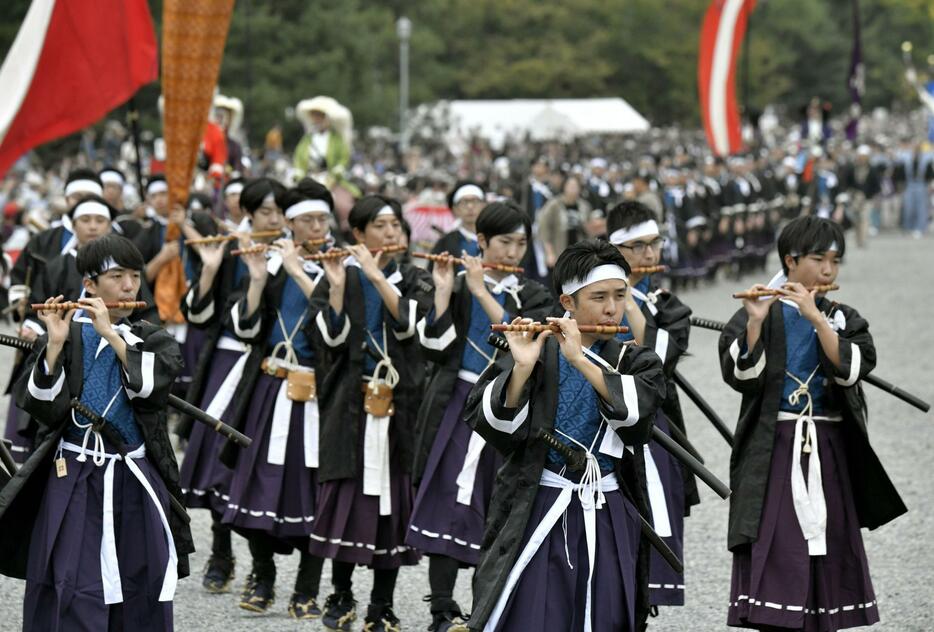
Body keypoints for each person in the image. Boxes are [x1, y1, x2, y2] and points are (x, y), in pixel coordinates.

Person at [463, 239, 667, 631]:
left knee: (604, 613)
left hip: (607, 504)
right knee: (533, 613)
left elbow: (637, 420)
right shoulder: (538, 350)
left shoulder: (635, 359)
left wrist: (579, 359)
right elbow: (492, 424)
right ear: (567, 303)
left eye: (620, 296)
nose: (611, 307)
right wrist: (521, 367)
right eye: (599, 297)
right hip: (539, 501)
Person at [719, 216, 906, 631]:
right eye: (818, 259)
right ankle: (775, 617)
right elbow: (742, 377)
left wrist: (818, 319)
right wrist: (753, 322)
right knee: (779, 539)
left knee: (828, 539)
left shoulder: (842, 317)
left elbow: (852, 369)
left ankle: (825, 616)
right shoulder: (759, 311)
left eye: (835, 261)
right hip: (775, 446)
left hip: (828, 445)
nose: (827, 270)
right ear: (790, 261)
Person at [0, 234, 192, 631]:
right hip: (73, 472)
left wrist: (112, 335)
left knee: (139, 576)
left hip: (132, 477)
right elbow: (39, 406)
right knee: (69, 574)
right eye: (116, 276)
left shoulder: (151, 337)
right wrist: (53, 345)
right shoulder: (68, 334)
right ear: (88, 284)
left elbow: (153, 390)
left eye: (135, 277)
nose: (128, 286)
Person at [407, 202, 552, 631]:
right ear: (481, 242)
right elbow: (433, 347)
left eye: (521, 243)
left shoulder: (533, 295)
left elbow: (529, 342)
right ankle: (441, 609)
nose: (513, 251)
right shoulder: (457, 282)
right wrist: (443, 291)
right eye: (504, 242)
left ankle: (484, 610)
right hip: (458, 405)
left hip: (509, 410)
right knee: (449, 502)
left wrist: (483, 293)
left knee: (496, 506)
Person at [308, 195, 431, 631]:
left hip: (399, 406)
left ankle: (381, 604)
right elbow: (329, 339)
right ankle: (340, 594)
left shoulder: (413, 277)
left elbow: (414, 327)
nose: (391, 232)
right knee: (347, 500)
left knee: (392, 505)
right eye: (379, 226)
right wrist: (339, 287)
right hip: (351, 406)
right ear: (357, 233)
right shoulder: (339, 273)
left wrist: (380, 279)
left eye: (395, 224)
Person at [219, 182, 335, 618]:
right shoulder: (269, 261)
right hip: (269, 386)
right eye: (308, 220)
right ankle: (262, 574)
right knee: (257, 484)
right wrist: (254, 278)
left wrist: (302, 272)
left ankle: (307, 587)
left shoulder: (338, 266)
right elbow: (245, 328)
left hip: (318, 391)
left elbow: (339, 325)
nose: (317, 227)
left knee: (315, 490)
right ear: (289, 222)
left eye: (323, 219)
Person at [177, 177, 288, 596]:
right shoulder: (227, 246)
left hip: (263, 365)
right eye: (265, 212)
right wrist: (208, 269)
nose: (274, 219)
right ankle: (220, 552)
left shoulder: (291, 253)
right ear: (248, 213)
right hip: (225, 360)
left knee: (248, 464)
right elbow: (199, 315)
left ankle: (262, 567)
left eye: (279, 212)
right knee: (214, 463)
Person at [607, 200, 697, 610]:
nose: (650, 254)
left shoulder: (667, 304)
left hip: (651, 425)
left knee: (652, 515)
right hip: (600, 423)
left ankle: (641, 608)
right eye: (638, 246)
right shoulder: (592, 297)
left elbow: (659, 358)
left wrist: (628, 300)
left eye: (654, 244)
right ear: (616, 250)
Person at [430, 181, 485, 271]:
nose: (470, 206)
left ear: (484, 205)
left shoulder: (495, 237)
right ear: (455, 209)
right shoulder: (445, 242)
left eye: (475, 201)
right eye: (464, 202)